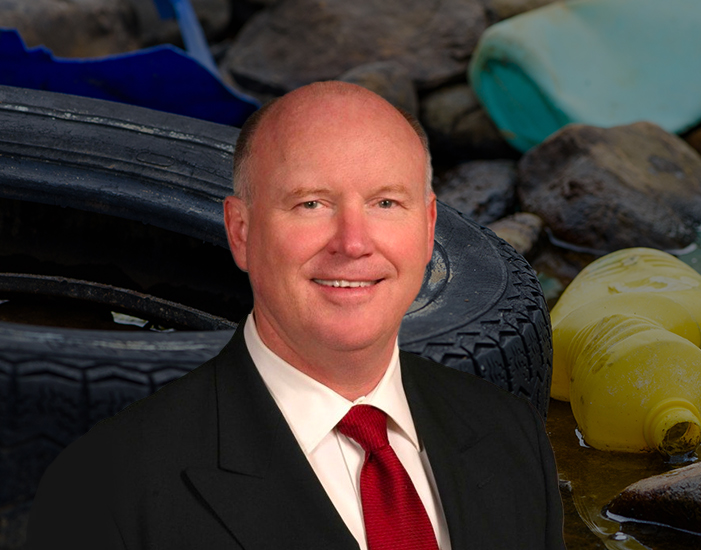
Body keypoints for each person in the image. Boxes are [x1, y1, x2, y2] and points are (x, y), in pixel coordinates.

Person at [26, 82, 566, 550]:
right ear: (240, 231)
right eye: (311, 203)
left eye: (385, 204)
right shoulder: (111, 480)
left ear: (429, 230)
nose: (353, 244)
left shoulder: (511, 435)